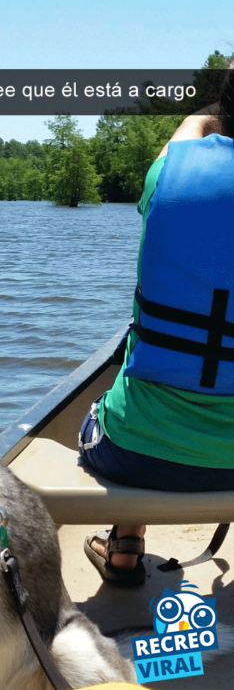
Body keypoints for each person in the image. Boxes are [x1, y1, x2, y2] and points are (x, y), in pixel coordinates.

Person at [79, 70, 234, 586]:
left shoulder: (172, 172)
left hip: (136, 454)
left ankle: (124, 549)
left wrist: (207, 114)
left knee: (126, 365)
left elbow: (191, 129)